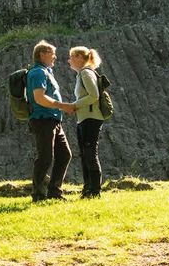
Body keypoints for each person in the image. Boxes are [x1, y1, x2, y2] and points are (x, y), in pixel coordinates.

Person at [25, 40, 77, 201]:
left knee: (64, 155)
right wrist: (63, 106)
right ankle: (39, 194)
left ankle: (54, 192)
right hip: (43, 120)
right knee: (45, 157)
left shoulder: (46, 71)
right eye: (52, 53)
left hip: (53, 120)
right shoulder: (37, 72)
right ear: (42, 54)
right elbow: (39, 98)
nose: (55, 57)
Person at [68, 45, 108, 199]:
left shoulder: (85, 73)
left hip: (91, 119)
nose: (69, 60)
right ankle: (87, 190)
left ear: (79, 57)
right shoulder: (82, 74)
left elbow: (94, 96)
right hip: (85, 118)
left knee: (90, 154)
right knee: (86, 155)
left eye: (71, 57)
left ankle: (94, 190)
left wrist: (74, 105)